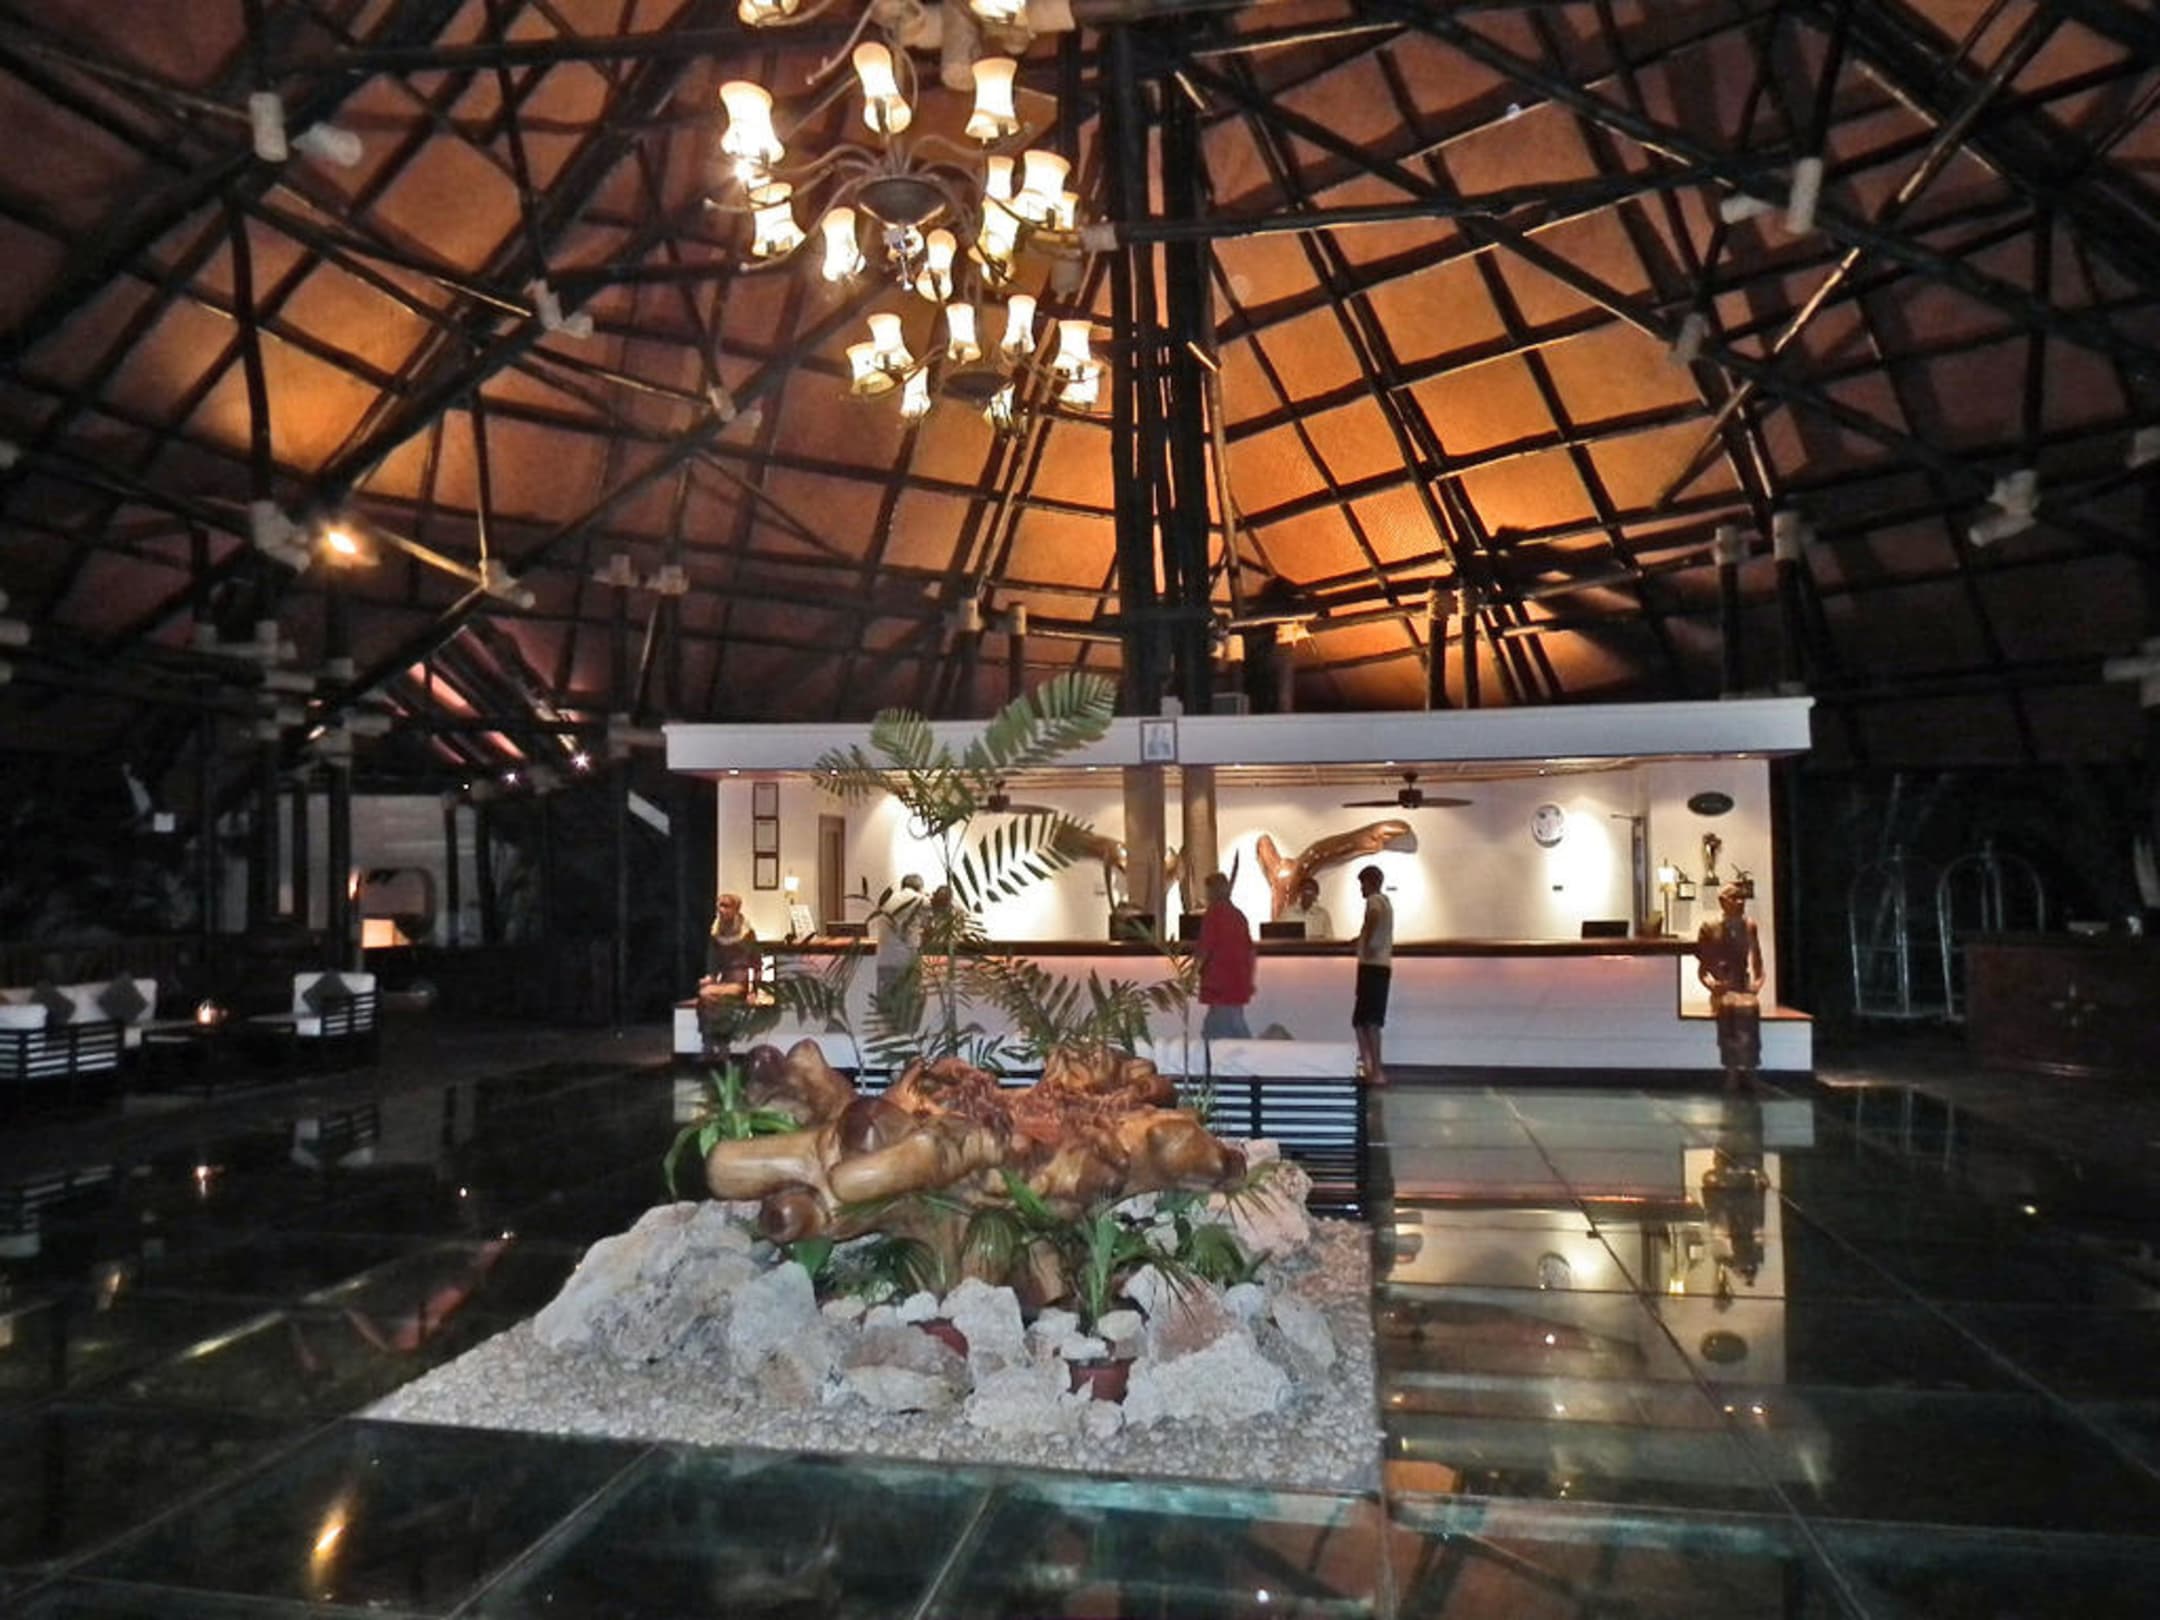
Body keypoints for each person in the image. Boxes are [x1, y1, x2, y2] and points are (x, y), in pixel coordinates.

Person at [1696, 881, 1765, 1087]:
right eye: (1734, 898)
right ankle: (1732, 1069)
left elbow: (1758, 965)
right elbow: (1703, 970)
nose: (1740, 902)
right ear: (1722, 901)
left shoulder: (1749, 926)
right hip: (1723, 988)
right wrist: (1712, 985)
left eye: (1742, 897)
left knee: (1750, 1008)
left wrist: (1757, 984)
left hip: (1743, 987)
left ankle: (1750, 1067)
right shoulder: (1709, 928)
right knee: (1727, 1008)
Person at [1196, 871, 1256, 1040]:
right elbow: (1250, 951)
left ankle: (1269, 1048)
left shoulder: (1213, 914)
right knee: (1231, 1026)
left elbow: (1205, 948)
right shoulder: (1239, 916)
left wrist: (1191, 975)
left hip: (1219, 985)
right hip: (1238, 982)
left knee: (1221, 1034)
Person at [1353, 864, 1393, 1087]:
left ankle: (1373, 1070)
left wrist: (1367, 944)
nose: (1361, 889)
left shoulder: (1374, 901)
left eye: (1362, 884)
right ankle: (1372, 1068)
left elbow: (1373, 918)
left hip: (1371, 967)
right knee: (1366, 1021)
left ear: (1369, 883)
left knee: (1366, 1022)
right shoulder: (1387, 902)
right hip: (1381, 967)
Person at [874, 874, 926, 994]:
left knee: (886, 998)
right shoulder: (919, 899)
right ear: (920, 888)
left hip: (884, 958)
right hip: (906, 959)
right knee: (909, 998)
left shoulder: (888, 900)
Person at [704, 892, 758, 989]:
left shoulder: (747, 934)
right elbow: (712, 966)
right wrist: (709, 980)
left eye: (726, 906)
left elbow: (757, 964)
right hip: (723, 980)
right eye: (720, 906)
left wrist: (754, 989)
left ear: (736, 909)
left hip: (741, 981)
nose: (721, 910)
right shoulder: (715, 934)